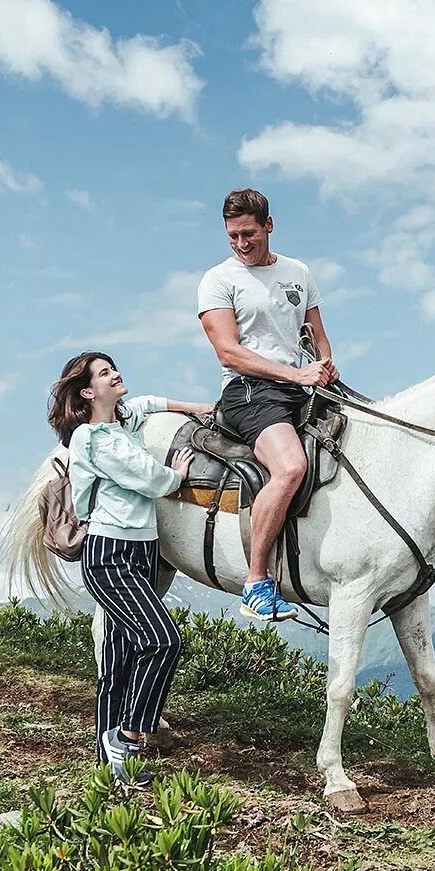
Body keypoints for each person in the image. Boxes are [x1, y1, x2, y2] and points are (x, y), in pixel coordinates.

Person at [50, 350, 210, 785]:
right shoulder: (91, 437)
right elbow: (148, 478)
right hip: (109, 554)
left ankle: (112, 765)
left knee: (120, 659)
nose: (115, 374)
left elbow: (153, 402)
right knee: (163, 641)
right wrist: (175, 475)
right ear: (87, 391)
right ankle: (132, 732)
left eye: (113, 367)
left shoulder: (123, 420)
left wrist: (197, 408)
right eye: (104, 373)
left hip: (141, 552)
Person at [196, 188, 337, 622]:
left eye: (250, 234)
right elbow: (228, 352)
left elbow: (316, 336)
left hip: (301, 388)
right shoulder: (218, 280)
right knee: (291, 466)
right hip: (249, 391)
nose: (242, 243)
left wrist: (326, 371)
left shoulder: (298, 272)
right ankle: (256, 583)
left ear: (269, 226)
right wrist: (295, 375)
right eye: (233, 236)